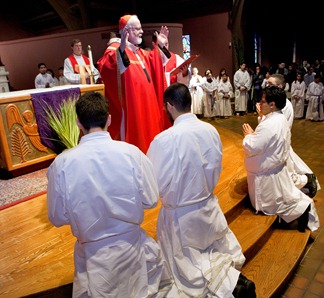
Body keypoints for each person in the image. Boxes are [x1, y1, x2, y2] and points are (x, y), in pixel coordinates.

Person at [46, 91, 175, 298]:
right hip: (133, 251)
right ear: (109, 119)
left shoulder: (61, 164)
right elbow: (151, 200)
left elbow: (57, 217)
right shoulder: (132, 153)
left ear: (78, 123)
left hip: (92, 256)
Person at [147, 83, 255, 298]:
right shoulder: (210, 130)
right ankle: (229, 281)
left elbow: (152, 184)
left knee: (189, 270)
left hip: (180, 218)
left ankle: (225, 285)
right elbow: (215, 164)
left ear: (169, 106)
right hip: (208, 208)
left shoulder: (163, 140)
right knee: (209, 253)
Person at [242, 86, 320, 232]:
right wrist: (261, 118)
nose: (260, 103)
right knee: (281, 198)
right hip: (275, 170)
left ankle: (301, 210)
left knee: (271, 204)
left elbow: (252, 147)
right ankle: (300, 208)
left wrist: (248, 135)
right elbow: (268, 139)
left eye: (263, 101)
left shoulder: (269, 124)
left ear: (272, 104)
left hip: (266, 175)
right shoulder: (279, 118)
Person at [97, 15, 170, 154]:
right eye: (137, 29)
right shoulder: (115, 50)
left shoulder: (140, 53)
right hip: (133, 108)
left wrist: (161, 44)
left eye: (141, 28)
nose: (141, 31)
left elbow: (157, 62)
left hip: (149, 106)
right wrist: (122, 50)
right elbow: (107, 66)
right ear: (126, 32)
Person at [265, 73, 319, 197]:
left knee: (288, 173)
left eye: (270, 84)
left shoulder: (285, 105)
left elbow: (280, 126)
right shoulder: (273, 101)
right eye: (267, 83)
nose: (267, 86)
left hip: (280, 143)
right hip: (274, 142)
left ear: (279, 86)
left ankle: (306, 181)